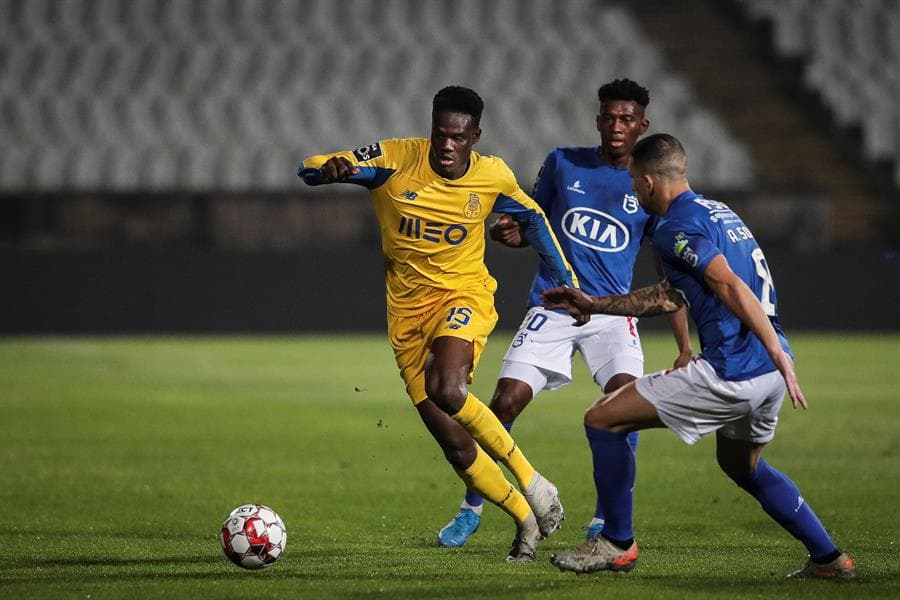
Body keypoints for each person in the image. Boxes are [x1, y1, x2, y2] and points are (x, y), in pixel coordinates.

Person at [541, 133, 855, 579]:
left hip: (736, 368)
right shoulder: (719, 213)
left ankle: (616, 542)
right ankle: (829, 560)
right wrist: (594, 304)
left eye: (634, 183)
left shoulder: (673, 227)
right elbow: (671, 295)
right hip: (766, 374)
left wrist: (772, 348)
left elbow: (727, 283)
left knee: (602, 419)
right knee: (741, 466)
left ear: (649, 182)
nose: (632, 190)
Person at [297, 86, 577, 562]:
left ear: (475, 136)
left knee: (447, 388)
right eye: (439, 135)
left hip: (463, 296)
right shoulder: (395, 159)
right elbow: (312, 165)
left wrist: (566, 281)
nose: (446, 146)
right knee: (455, 445)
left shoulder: (492, 176)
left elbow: (532, 220)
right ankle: (525, 521)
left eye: (457, 137)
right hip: (406, 317)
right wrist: (328, 170)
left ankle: (534, 483)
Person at [437, 79, 692, 548]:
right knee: (504, 403)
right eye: (609, 117)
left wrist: (683, 346)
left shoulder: (648, 182)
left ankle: (604, 518)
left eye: (626, 119)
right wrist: (511, 233)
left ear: (642, 125)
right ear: (598, 119)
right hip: (553, 304)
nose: (616, 126)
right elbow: (532, 220)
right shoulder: (562, 163)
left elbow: (668, 270)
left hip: (612, 314)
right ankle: (472, 506)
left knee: (624, 403)